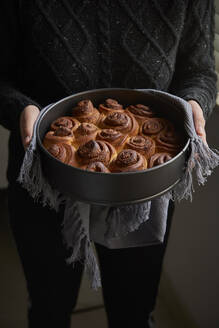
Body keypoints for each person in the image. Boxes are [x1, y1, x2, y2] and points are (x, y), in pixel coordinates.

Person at [0, 1, 217, 327]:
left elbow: (199, 70)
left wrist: (193, 103)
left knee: (134, 310)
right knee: (49, 308)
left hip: (145, 187)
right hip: (45, 178)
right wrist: (22, 110)